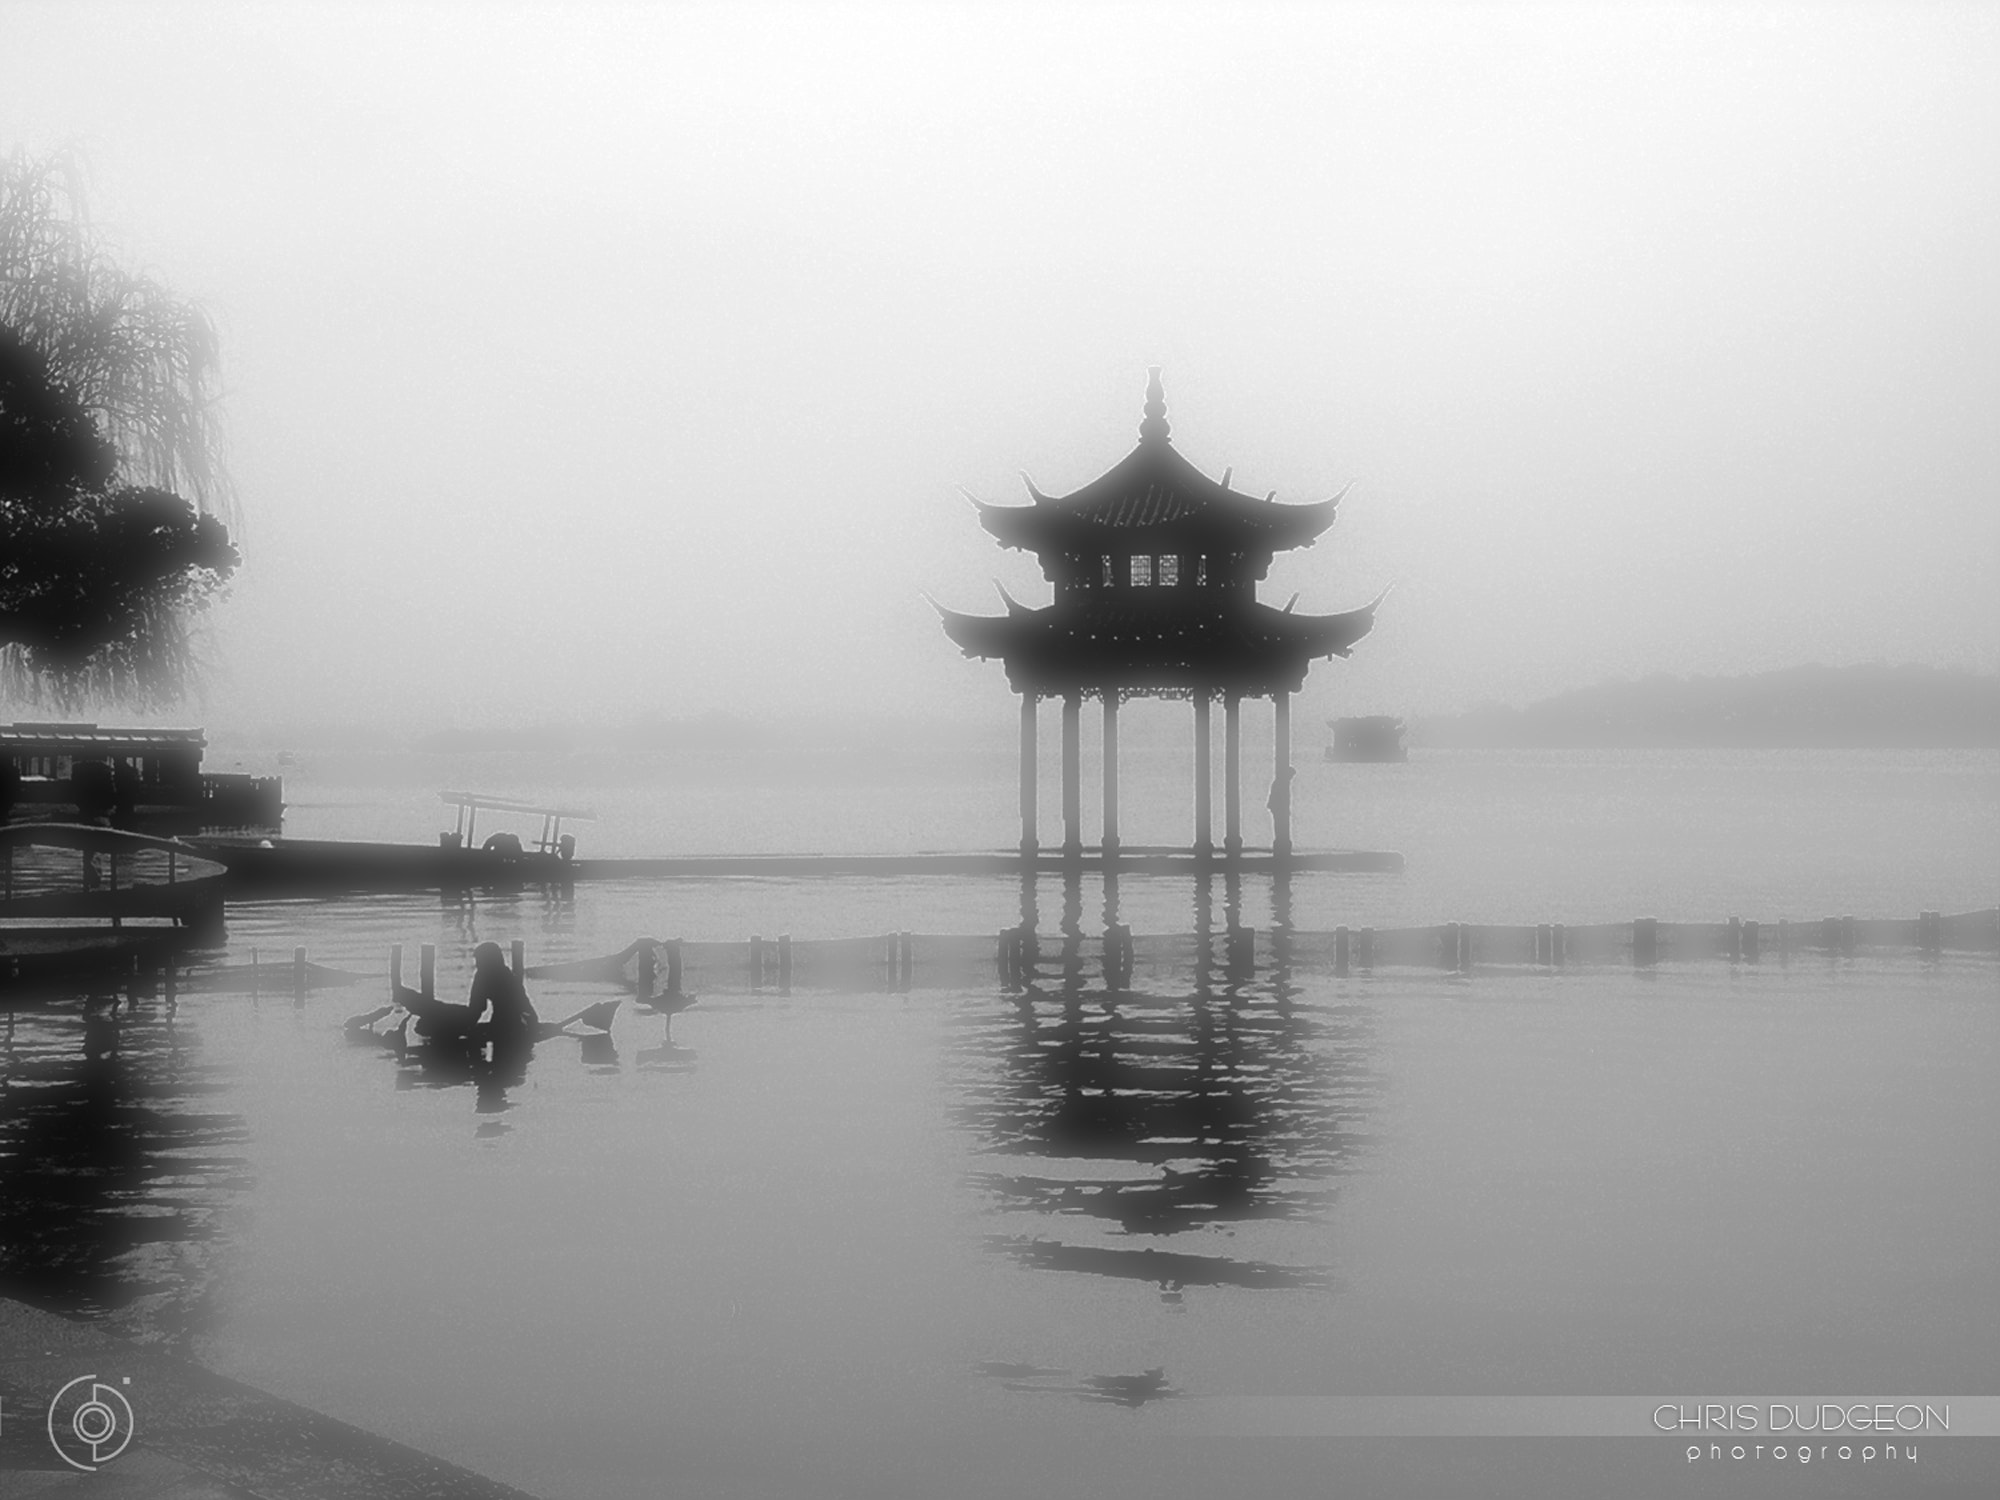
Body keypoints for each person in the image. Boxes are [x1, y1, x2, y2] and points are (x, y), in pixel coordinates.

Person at [465, 942, 539, 1040]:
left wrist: (467, 1027)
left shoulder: (483, 976)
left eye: (479, 960)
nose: (477, 964)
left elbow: (477, 1007)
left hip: (505, 1025)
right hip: (516, 1024)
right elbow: (525, 1005)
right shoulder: (507, 974)